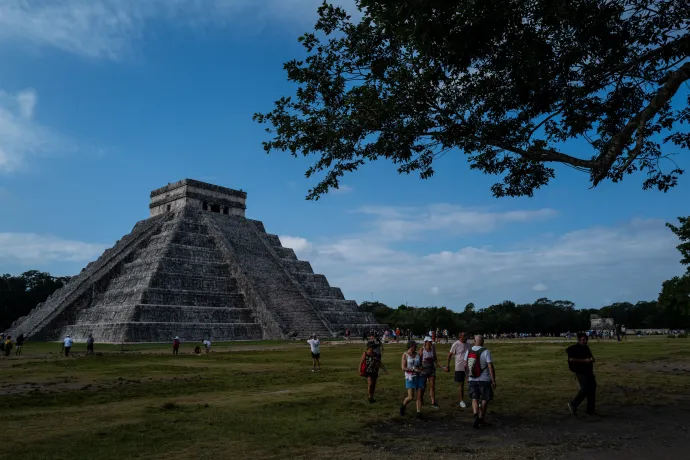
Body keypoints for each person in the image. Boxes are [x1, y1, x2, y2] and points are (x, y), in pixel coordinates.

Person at [467, 335, 496, 428]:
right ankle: (481, 418)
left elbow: (465, 365)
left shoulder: (469, 351)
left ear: (474, 341)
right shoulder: (486, 351)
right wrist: (493, 379)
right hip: (484, 379)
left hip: (472, 378)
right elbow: (490, 366)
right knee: (484, 399)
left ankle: (476, 416)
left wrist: (468, 376)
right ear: (482, 341)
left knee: (474, 398)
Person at [566, 332, 597, 416]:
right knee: (586, 388)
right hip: (580, 371)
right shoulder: (573, 348)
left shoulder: (586, 348)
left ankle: (590, 410)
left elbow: (591, 357)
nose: (585, 341)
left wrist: (591, 359)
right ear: (579, 340)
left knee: (592, 388)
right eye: (583, 340)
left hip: (588, 371)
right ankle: (573, 404)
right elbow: (571, 359)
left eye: (586, 340)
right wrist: (584, 360)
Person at [421, 337, 447, 408]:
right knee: (423, 387)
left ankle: (433, 402)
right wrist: (420, 367)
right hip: (424, 370)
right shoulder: (422, 349)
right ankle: (421, 399)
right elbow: (419, 360)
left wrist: (442, 367)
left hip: (432, 369)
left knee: (432, 386)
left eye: (431, 342)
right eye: (429, 342)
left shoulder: (433, 348)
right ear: (425, 342)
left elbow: (435, 360)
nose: (430, 343)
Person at [400, 340, 424, 417]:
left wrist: (420, 368)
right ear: (411, 346)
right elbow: (403, 368)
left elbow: (420, 364)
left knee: (419, 395)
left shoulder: (417, 354)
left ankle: (419, 412)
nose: (416, 347)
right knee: (410, 397)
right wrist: (413, 370)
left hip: (419, 376)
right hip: (410, 377)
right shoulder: (405, 355)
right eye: (414, 346)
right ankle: (403, 406)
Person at [447, 331, 472, 408]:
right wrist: (447, 365)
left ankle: (474, 399)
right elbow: (449, 355)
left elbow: (471, 354)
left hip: (468, 367)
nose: (466, 337)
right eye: (464, 336)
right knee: (461, 384)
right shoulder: (456, 344)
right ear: (460, 336)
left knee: (471, 383)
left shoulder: (468, 344)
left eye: (467, 335)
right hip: (459, 367)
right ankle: (461, 401)